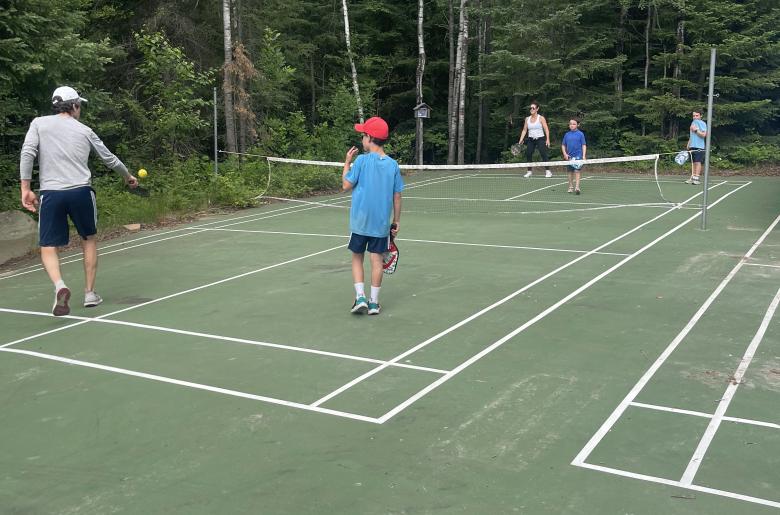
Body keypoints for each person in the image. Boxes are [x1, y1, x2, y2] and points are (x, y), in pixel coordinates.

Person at [20, 86, 138, 316]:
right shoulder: (85, 130)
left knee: (48, 246)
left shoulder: (38, 123)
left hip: (51, 194)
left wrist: (25, 188)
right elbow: (109, 159)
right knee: (89, 239)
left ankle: (60, 286)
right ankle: (89, 294)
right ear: (74, 105)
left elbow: (27, 153)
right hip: (81, 192)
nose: (80, 109)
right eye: (79, 105)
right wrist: (128, 176)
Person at [342, 116, 403, 315]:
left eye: (363, 135)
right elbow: (397, 197)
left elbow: (345, 185)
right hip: (380, 225)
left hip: (360, 222)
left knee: (357, 258)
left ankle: (360, 297)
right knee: (376, 261)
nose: (362, 139)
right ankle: (374, 303)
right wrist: (396, 221)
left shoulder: (360, 161)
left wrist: (347, 162)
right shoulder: (393, 165)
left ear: (369, 137)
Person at [518, 102, 552, 178]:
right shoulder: (527, 119)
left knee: (543, 154)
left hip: (540, 139)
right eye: (530, 108)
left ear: (537, 109)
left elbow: (546, 129)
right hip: (531, 139)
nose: (531, 109)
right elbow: (524, 130)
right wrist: (521, 139)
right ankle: (529, 171)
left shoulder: (541, 118)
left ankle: (548, 171)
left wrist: (548, 139)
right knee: (528, 153)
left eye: (533, 108)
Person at [561, 118, 587, 195]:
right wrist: (565, 154)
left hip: (578, 156)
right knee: (569, 172)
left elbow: (584, 145)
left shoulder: (581, 134)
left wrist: (584, 155)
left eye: (574, 124)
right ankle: (570, 187)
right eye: (570, 124)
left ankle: (577, 187)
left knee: (577, 171)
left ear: (578, 125)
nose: (571, 125)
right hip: (569, 157)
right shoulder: (567, 134)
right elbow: (563, 145)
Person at [686, 109, 707, 185]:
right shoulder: (693, 123)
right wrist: (688, 144)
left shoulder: (702, 123)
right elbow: (692, 136)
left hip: (699, 146)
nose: (695, 117)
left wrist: (696, 130)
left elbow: (704, 135)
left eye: (697, 115)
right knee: (693, 162)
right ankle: (692, 177)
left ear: (701, 116)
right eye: (693, 116)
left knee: (698, 162)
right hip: (692, 146)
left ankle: (696, 179)